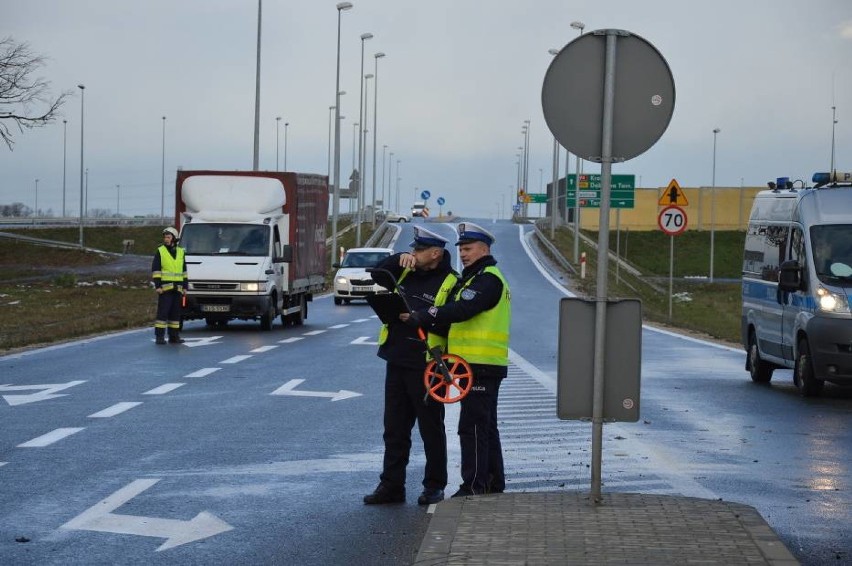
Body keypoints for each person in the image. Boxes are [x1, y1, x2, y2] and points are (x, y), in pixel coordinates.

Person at [405, 222, 511, 497]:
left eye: (468, 248)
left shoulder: (488, 279)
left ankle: (473, 486)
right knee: (485, 426)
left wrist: (428, 315)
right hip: (471, 364)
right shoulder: (473, 277)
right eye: (461, 249)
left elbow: (464, 309)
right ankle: (492, 482)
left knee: (473, 427)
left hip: (481, 365)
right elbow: (453, 316)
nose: (463, 254)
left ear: (484, 249)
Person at [363, 226, 459, 506]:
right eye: (413, 249)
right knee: (394, 429)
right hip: (397, 358)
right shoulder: (407, 271)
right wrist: (398, 258)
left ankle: (434, 486)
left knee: (431, 428)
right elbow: (378, 274)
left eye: (418, 250)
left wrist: (422, 317)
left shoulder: (451, 281)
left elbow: (453, 317)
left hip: (427, 364)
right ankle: (392, 485)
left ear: (435, 253)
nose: (414, 254)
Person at [151, 227, 188, 345]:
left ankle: (174, 337)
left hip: (178, 289)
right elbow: (156, 270)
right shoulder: (160, 251)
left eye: (168, 237)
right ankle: (160, 337)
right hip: (165, 289)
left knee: (175, 315)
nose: (166, 239)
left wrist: (185, 287)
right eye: (165, 237)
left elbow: (184, 271)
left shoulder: (181, 252)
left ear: (174, 239)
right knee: (162, 314)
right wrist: (158, 286)